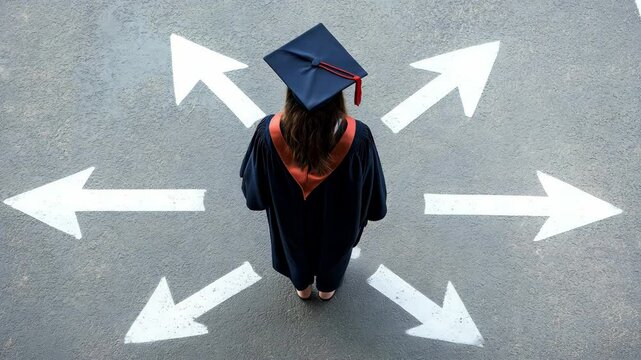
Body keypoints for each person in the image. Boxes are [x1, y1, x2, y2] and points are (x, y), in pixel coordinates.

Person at [240, 23, 387, 301]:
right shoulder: (358, 138)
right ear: (337, 98)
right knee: (335, 246)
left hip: (289, 215)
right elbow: (371, 189)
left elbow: (255, 190)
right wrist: (371, 209)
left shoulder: (268, 134)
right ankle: (327, 289)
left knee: (293, 243)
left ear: (290, 94)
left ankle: (302, 287)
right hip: (338, 219)